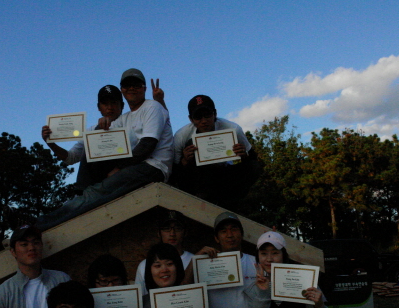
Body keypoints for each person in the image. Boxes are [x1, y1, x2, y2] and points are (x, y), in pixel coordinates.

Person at [34, 69, 174, 231]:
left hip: (153, 167)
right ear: (122, 89)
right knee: (92, 159)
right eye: (127, 85)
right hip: (134, 166)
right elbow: (74, 156)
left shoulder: (152, 106)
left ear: (144, 88)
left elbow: (147, 145)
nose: (131, 88)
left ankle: (39, 226)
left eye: (136, 85)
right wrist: (52, 141)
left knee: (95, 194)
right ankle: (78, 198)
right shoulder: (125, 118)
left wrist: (119, 168)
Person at [171, 95, 260, 209]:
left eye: (207, 115)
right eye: (198, 117)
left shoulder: (233, 129)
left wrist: (243, 155)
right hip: (199, 177)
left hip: (227, 174)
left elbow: (252, 157)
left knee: (254, 166)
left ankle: (234, 200)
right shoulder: (181, 135)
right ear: (191, 119)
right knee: (190, 145)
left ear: (215, 114)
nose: (204, 121)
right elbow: (174, 170)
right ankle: (199, 198)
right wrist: (184, 161)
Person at [41, 85, 126, 192]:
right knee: (91, 141)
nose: (109, 107)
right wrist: (51, 143)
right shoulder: (90, 131)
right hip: (97, 185)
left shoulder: (130, 122)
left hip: (123, 179)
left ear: (122, 105)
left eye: (114, 102)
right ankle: (83, 193)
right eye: (105, 103)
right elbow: (71, 157)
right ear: (99, 107)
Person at [134, 209, 194, 294]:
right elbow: (140, 297)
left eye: (177, 228)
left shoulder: (195, 260)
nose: (172, 233)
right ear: (159, 233)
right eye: (166, 229)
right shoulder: (144, 265)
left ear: (185, 232)